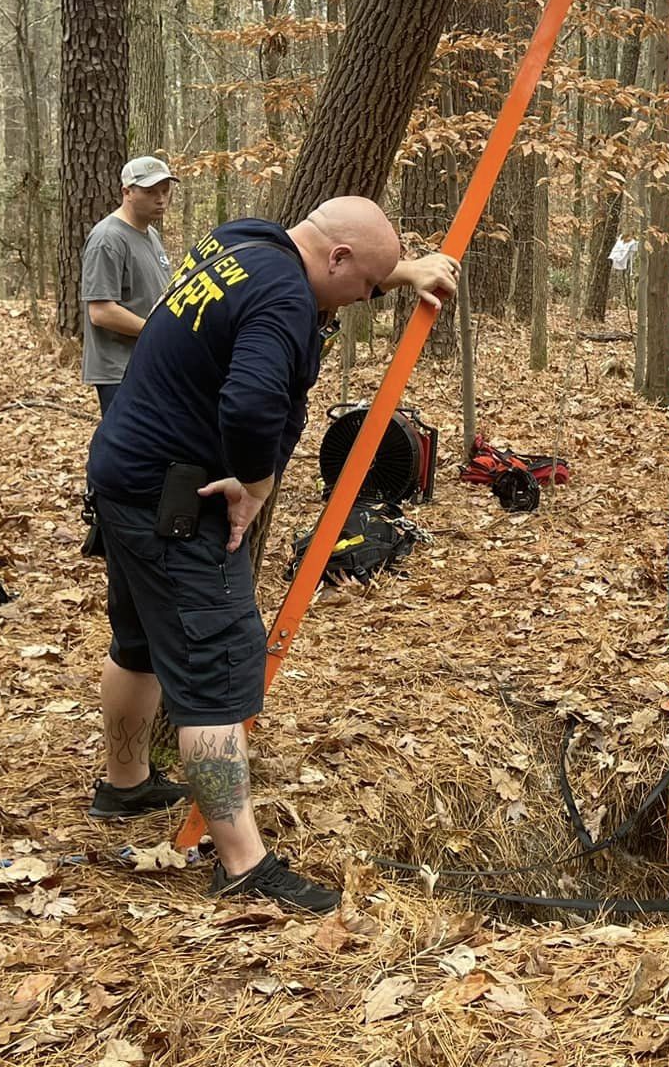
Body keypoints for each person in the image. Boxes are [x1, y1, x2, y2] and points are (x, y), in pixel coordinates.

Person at [85, 196, 459, 913]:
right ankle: (241, 863)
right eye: (363, 289)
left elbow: (329, 270)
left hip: (126, 476)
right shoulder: (287, 300)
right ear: (337, 260)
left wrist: (401, 270)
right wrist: (257, 482)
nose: (359, 304)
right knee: (218, 674)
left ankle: (124, 784)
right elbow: (253, 404)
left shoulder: (246, 241)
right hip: (177, 501)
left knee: (137, 645)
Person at [81, 156, 178, 415]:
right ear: (127, 192)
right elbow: (100, 311)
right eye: (149, 192)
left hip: (150, 363)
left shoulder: (151, 234)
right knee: (126, 451)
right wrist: (157, 331)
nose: (160, 199)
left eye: (164, 191)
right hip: (119, 371)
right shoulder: (108, 239)